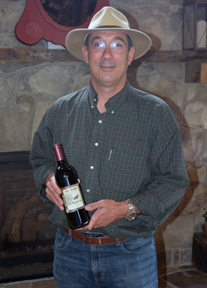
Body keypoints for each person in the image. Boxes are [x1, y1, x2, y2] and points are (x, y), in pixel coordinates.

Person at [30, 6, 189, 288]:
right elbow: (40, 158)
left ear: (130, 55)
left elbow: (174, 181)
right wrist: (47, 178)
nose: (107, 54)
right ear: (86, 53)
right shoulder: (58, 111)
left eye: (117, 44)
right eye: (98, 44)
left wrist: (127, 208)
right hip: (70, 252)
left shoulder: (156, 114)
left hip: (131, 255)